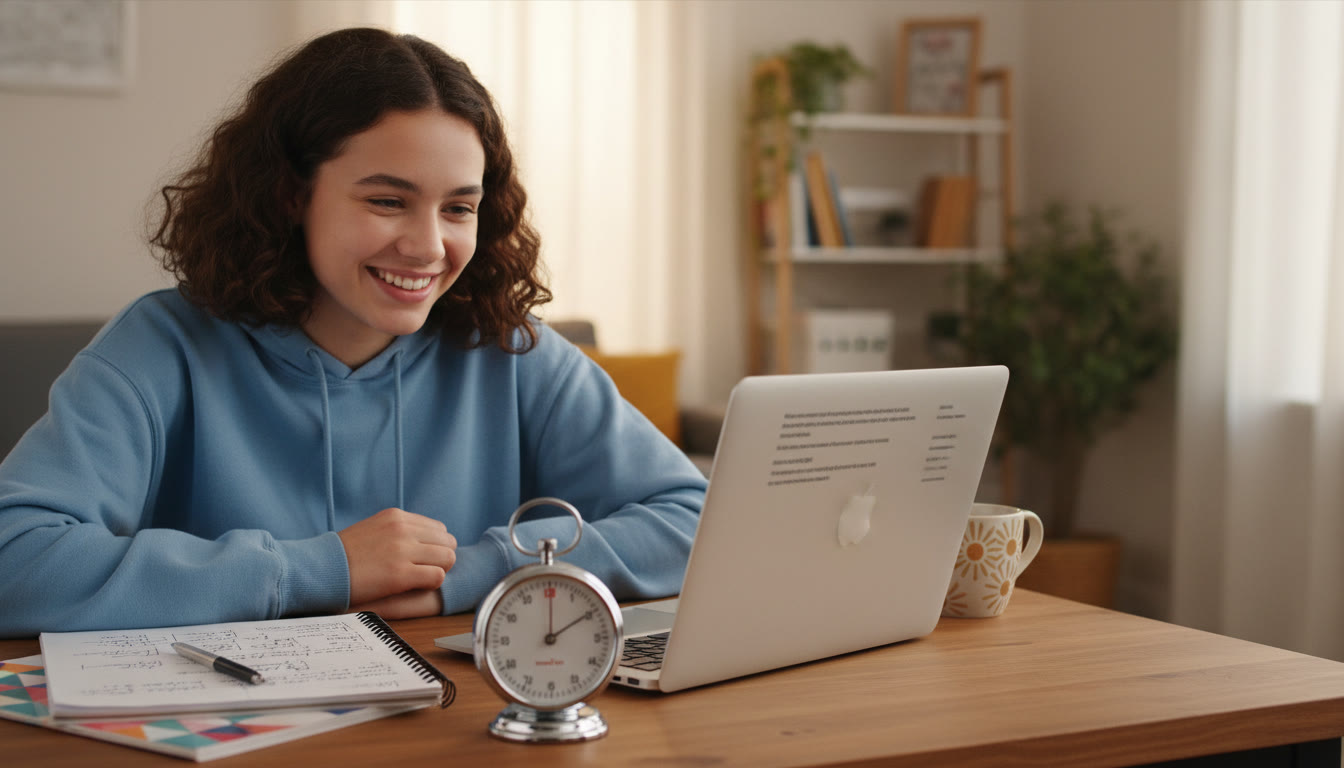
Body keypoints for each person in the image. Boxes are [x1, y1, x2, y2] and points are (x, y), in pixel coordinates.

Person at [0, 28, 706, 637]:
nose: (429, 246)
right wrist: (324, 568)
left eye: (458, 208)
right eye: (388, 200)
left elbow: (696, 521)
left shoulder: (512, 352)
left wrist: (477, 569)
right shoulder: (161, 347)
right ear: (291, 194)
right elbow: (15, 558)